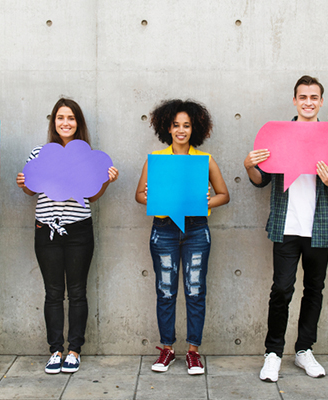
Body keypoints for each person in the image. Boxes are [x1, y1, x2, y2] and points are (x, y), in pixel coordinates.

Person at [245, 75, 328, 382]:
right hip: (286, 226)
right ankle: (273, 353)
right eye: (302, 97)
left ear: (321, 101)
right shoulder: (278, 135)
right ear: (294, 100)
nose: (308, 102)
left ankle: (304, 349)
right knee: (281, 289)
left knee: (314, 289)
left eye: (313, 97)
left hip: (320, 228)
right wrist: (249, 165)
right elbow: (261, 180)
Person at [16, 98, 118, 374]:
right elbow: (30, 191)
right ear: (53, 122)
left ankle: (74, 350)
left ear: (78, 123)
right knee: (52, 292)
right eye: (61, 118)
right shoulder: (39, 153)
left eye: (71, 118)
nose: (65, 123)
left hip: (78, 230)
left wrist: (106, 181)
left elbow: (91, 197)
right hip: (46, 229)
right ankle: (55, 350)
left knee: (77, 292)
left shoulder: (90, 157)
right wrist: (25, 182)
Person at [135, 99, 229, 375]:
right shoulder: (157, 159)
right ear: (167, 127)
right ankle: (166, 349)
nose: (181, 130)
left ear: (194, 129)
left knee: (195, 290)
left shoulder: (204, 160)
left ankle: (193, 352)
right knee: (165, 291)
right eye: (176, 125)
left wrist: (206, 202)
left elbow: (224, 195)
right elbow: (140, 195)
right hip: (163, 230)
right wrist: (154, 197)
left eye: (186, 126)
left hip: (197, 230)